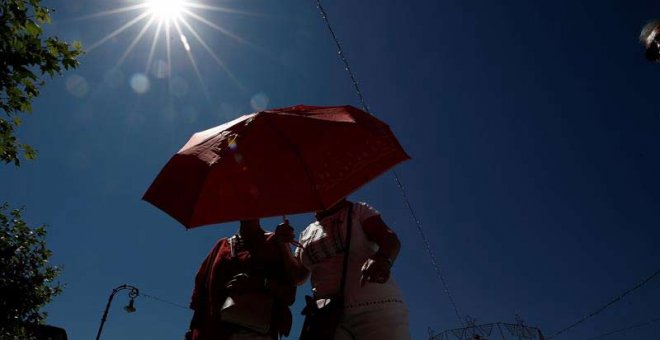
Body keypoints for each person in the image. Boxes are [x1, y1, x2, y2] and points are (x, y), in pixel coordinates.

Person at [287, 199, 411, 340]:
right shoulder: (306, 233)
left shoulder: (357, 210)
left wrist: (383, 258)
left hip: (376, 309)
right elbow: (298, 276)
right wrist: (282, 243)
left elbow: (389, 239)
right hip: (328, 318)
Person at [185, 219, 298, 340]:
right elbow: (201, 296)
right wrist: (191, 332)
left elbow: (289, 292)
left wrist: (259, 283)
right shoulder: (221, 247)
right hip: (215, 332)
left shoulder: (275, 243)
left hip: (256, 333)